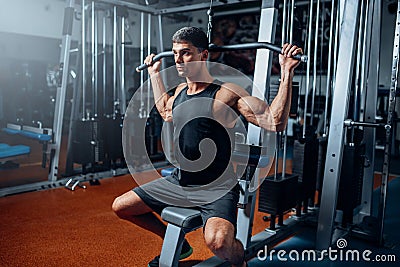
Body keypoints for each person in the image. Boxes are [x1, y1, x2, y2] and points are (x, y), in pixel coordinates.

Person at [112, 26, 302, 267]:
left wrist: (286, 74)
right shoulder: (180, 91)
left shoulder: (225, 93)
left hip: (217, 188)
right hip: (180, 181)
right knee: (121, 207)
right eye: (175, 54)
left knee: (220, 244)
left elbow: (275, 121)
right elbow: (165, 111)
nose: (178, 61)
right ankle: (181, 246)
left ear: (204, 55)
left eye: (186, 53)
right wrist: (154, 74)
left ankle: (239, 261)